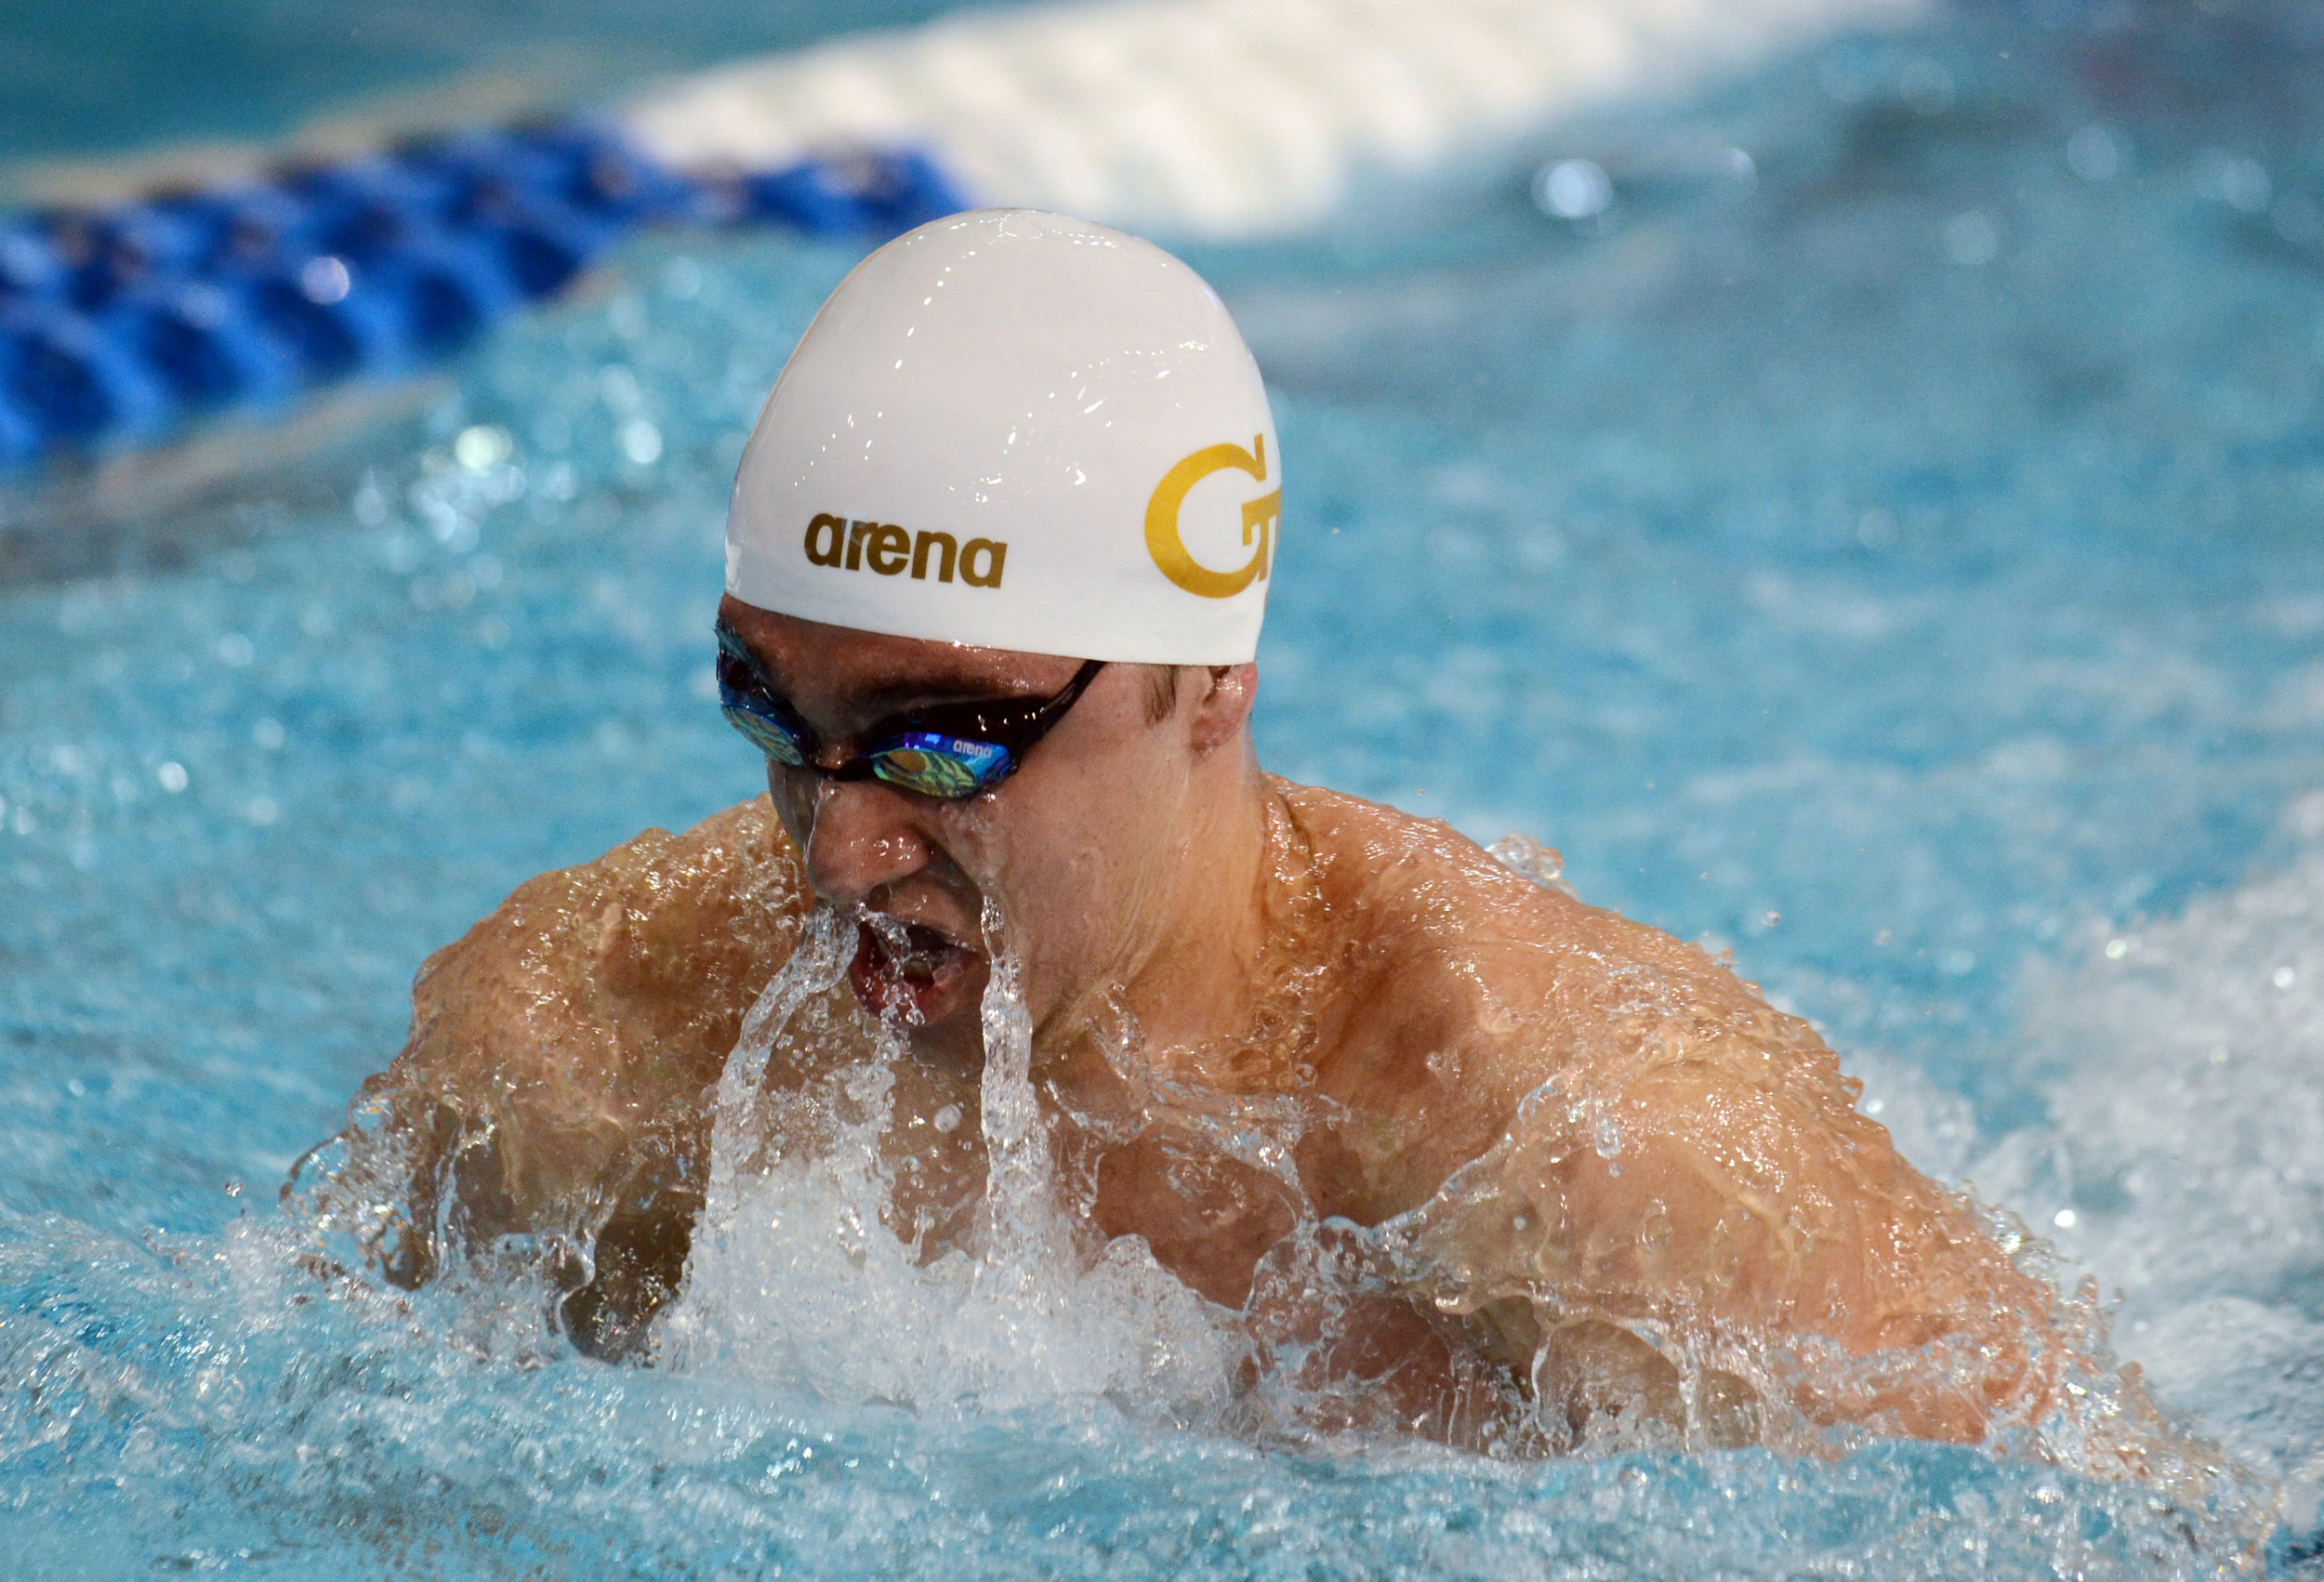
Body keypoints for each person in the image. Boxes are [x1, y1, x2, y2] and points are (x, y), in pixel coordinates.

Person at [305, 209, 2105, 1457]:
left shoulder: (1559, 1145)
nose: (836, 849)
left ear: (1207, 681)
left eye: (943, 741)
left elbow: (2109, 1513)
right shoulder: (582, 1044)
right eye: (778, 718)